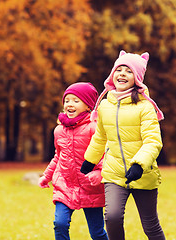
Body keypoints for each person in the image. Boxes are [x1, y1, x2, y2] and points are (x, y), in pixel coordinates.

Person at [80, 50, 166, 240]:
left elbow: (153, 141)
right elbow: (100, 137)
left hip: (142, 173)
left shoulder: (145, 107)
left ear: (137, 78)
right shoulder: (105, 106)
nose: (122, 74)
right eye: (119, 69)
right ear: (112, 75)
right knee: (112, 218)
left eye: (128, 71)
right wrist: (89, 160)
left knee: (150, 225)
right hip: (114, 172)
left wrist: (139, 164)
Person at [38, 82, 108, 240]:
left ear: (88, 106)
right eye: (67, 100)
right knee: (60, 223)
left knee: (97, 232)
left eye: (76, 101)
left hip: (91, 187)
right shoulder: (59, 130)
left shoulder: (94, 128)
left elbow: (104, 154)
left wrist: (100, 172)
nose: (70, 104)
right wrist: (46, 176)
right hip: (65, 186)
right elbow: (58, 156)